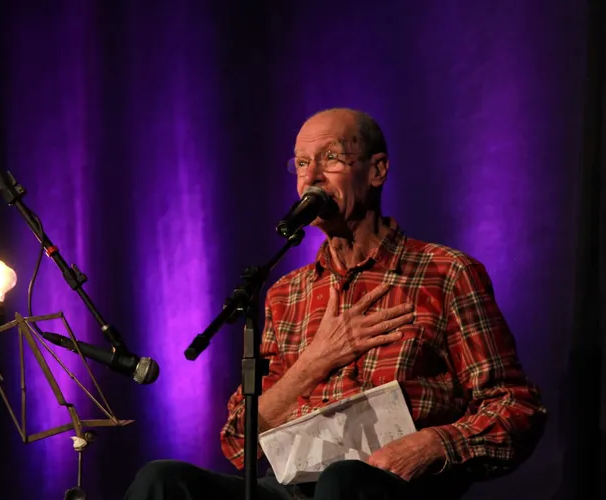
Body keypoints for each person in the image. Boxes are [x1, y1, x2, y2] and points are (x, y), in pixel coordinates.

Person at [124, 108, 547, 499]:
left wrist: (432, 444)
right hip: (293, 486)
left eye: (332, 159)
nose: (312, 178)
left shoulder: (445, 273)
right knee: (161, 482)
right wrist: (316, 360)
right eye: (302, 163)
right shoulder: (286, 294)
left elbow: (514, 406)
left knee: (342, 480)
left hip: (387, 484)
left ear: (376, 170)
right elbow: (239, 439)